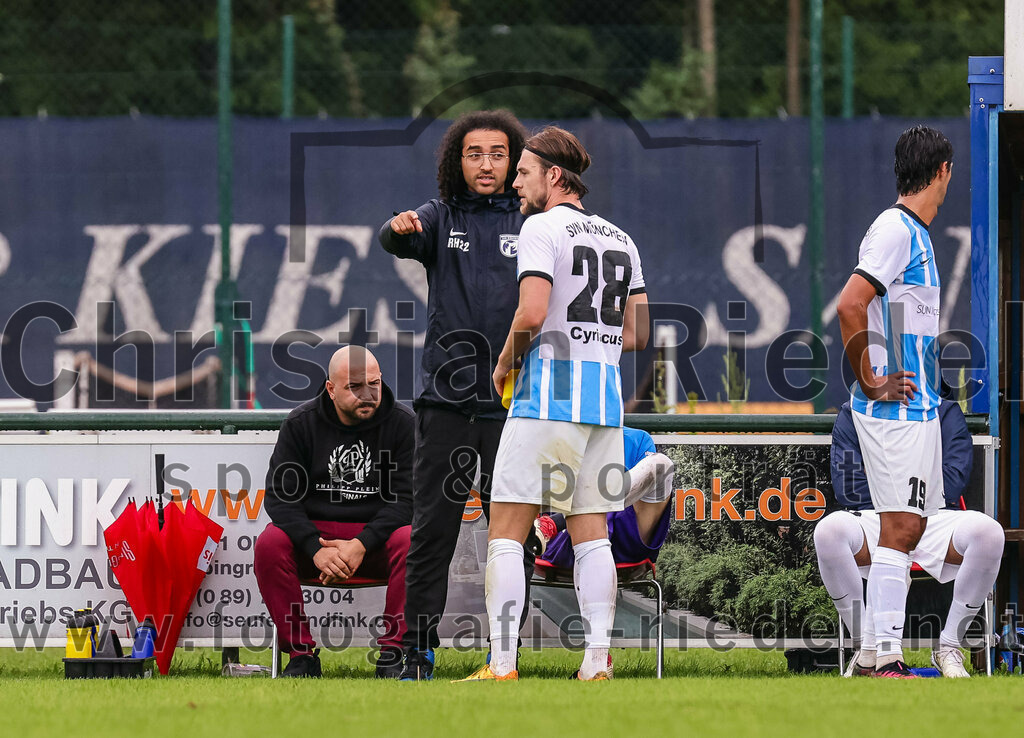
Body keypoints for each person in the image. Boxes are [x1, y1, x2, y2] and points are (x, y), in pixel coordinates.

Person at [457, 126, 649, 682]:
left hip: (546, 398)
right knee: (591, 533)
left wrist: (503, 364)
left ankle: (501, 665)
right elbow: (638, 332)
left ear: (554, 176)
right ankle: (594, 664)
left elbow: (533, 313)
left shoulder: (540, 228)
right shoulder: (622, 238)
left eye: (523, 172)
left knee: (506, 531)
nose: (516, 183)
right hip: (604, 403)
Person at [378, 110, 530, 681]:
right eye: (474, 154)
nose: (486, 164)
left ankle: (504, 654)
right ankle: (414, 651)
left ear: (516, 161)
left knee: (509, 538)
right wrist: (398, 228)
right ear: (456, 161)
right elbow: (393, 235)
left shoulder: (534, 222)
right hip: (444, 405)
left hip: (514, 409)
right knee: (432, 535)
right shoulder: (439, 218)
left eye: (497, 153)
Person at [835, 125, 954, 678]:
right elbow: (850, 304)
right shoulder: (895, 229)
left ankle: (871, 656)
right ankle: (887, 658)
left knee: (903, 528)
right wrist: (873, 380)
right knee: (901, 529)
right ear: (942, 173)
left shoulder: (914, 232)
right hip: (895, 410)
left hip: (919, 409)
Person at [254, 346, 414, 678]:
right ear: (330, 389)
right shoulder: (301, 423)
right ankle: (301, 655)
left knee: (412, 541)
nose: (367, 395)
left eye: (374, 384)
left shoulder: (402, 424)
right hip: (317, 543)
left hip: (375, 543)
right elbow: (280, 498)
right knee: (270, 545)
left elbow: (408, 500)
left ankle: (393, 653)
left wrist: (361, 544)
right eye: (355, 387)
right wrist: (314, 548)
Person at [816, 399, 1003, 678]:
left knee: (989, 533)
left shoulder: (943, 410)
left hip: (934, 516)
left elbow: (953, 480)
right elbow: (848, 487)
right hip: (873, 515)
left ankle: (949, 645)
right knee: (829, 532)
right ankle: (867, 647)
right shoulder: (853, 411)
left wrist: (892, 492)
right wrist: (900, 502)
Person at [535, 426, 675, 568]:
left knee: (662, 464)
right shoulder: (556, 436)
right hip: (565, 539)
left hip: (623, 545)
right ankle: (552, 524)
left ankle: (555, 522)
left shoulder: (638, 439)